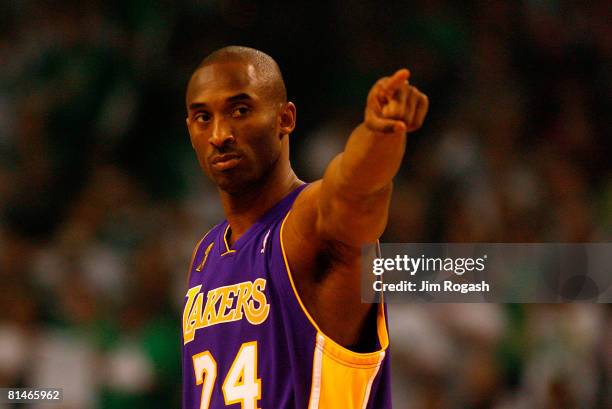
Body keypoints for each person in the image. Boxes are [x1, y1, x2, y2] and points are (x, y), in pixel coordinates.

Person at [182, 45, 428, 409]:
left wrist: (379, 135)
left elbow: (354, 190)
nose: (219, 134)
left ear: (286, 118)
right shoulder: (205, 253)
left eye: (240, 110)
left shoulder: (308, 224)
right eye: (203, 117)